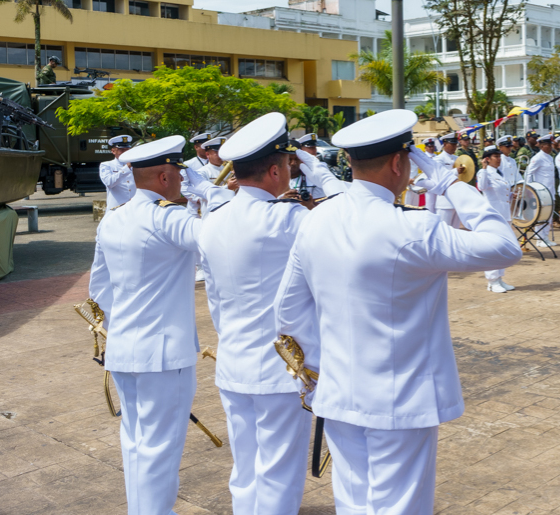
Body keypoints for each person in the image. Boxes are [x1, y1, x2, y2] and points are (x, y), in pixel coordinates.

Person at [274, 109, 521, 515]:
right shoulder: (414, 227)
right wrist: (450, 184)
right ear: (398, 162)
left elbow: (288, 311)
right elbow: (504, 247)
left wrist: (317, 375)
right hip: (401, 403)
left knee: (353, 504)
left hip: (336, 393)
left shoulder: (316, 220)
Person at [88, 136, 232, 515]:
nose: (185, 182)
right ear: (166, 177)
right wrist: (211, 195)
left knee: (135, 445)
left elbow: (98, 290)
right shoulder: (167, 217)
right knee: (159, 451)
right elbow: (222, 238)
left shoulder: (113, 220)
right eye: (181, 175)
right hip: (165, 357)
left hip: (123, 348)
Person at [198, 114, 329, 514]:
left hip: (234, 363)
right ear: (275, 169)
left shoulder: (212, 222)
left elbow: (215, 302)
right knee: (278, 477)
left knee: (246, 472)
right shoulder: (293, 220)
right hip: (282, 370)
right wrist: (322, 173)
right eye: (288, 167)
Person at [476, 145, 516, 292]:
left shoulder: (500, 172)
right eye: (496, 157)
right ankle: (492, 280)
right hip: (493, 215)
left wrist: (512, 195)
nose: (499, 159)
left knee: (503, 246)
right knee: (493, 247)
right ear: (488, 159)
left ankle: (499, 278)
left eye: (499, 156)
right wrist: (484, 168)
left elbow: (501, 193)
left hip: (504, 214)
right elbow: (482, 187)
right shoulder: (484, 172)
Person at [526, 133, 557, 247]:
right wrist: (529, 190)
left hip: (550, 190)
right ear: (543, 145)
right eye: (549, 145)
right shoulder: (537, 158)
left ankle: (545, 237)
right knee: (541, 215)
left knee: (549, 215)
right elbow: (529, 173)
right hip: (541, 191)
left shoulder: (549, 157)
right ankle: (539, 238)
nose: (551, 147)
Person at [433, 134, 464, 227]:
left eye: (456, 144)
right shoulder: (438, 159)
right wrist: (455, 171)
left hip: (456, 198)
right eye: (452, 144)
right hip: (445, 200)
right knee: (443, 229)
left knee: (455, 230)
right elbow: (440, 176)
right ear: (445, 144)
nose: (455, 146)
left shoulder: (457, 159)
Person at [99, 135, 136, 211]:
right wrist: (127, 168)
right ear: (113, 151)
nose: (125, 152)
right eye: (121, 150)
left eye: (127, 149)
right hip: (116, 209)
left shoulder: (136, 165)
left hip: (134, 208)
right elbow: (109, 183)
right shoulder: (106, 165)